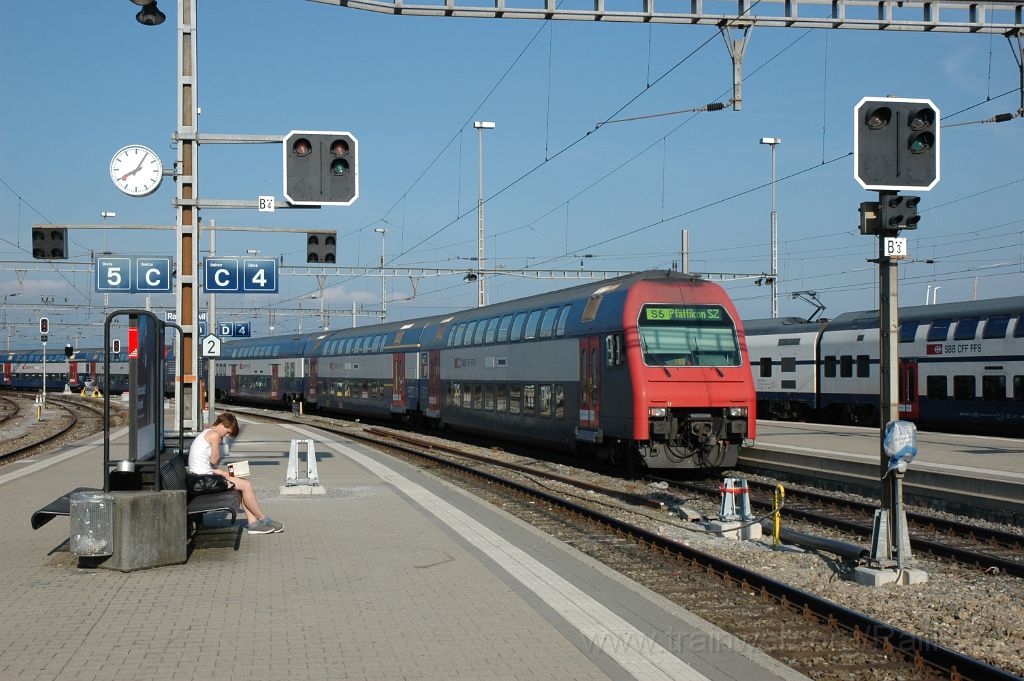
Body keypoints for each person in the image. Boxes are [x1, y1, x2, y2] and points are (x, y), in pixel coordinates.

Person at [188, 412, 283, 534]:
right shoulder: (214, 435)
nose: (226, 435)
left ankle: (253, 523)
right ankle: (263, 519)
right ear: (222, 424)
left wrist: (222, 473)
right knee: (246, 485)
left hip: (201, 479)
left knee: (241, 484)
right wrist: (218, 444)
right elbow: (214, 460)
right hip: (203, 482)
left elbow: (205, 464)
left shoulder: (205, 433)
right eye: (227, 432)